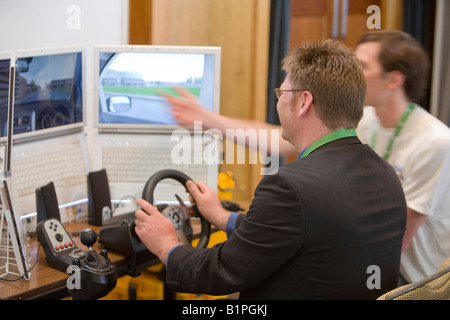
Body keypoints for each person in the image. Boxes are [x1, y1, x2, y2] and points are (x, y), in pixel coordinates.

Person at [134, 39, 407, 299]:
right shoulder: (386, 174)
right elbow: (295, 234)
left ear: (303, 102)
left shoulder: (290, 187)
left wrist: (166, 245)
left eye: (281, 93)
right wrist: (222, 216)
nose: (278, 101)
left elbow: (222, 272)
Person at [355, 30, 450, 285]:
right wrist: (233, 126)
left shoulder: (435, 141)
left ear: (393, 79)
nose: (351, 74)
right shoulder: (365, 120)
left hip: (416, 280)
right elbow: (290, 138)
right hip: (376, 259)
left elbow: (400, 238)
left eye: (362, 66)